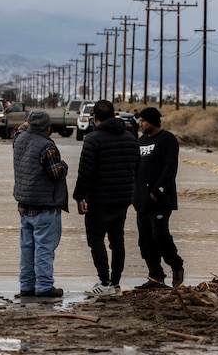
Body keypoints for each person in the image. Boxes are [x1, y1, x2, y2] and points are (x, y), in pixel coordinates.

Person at [73, 99, 139, 297]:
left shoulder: (92, 139)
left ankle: (104, 282)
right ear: (113, 115)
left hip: (99, 199)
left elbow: (85, 172)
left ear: (95, 117)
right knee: (117, 242)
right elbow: (137, 169)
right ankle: (115, 283)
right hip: (123, 199)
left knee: (96, 240)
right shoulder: (130, 138)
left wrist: (79, 197)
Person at [12, 110, 69, 298]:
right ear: (47, 128)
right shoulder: (47, 147)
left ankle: (27, 285)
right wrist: (64, 166)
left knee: (27, 248)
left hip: (24, 205)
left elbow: (19, 131)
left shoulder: (19, 141)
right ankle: (44, 286)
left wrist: (27, 125)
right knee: (44, 248)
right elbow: (56, 173)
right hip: (45, 206)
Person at [133, 107, 185, 289]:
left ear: (153, 121)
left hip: (161, 199)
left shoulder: (167, 139)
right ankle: (155, 276)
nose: (140, 124)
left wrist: (156, 192)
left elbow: (170, 169)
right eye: (140, 121)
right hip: (141, 200)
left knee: (160, 235)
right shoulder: (140, 141)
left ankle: (176, 265)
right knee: (145, 240)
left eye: (143, 121)